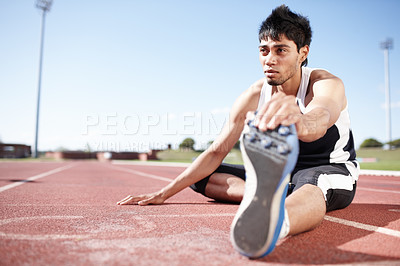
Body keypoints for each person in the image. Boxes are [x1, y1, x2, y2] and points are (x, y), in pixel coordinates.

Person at [117, 5, 359, 259]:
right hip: (284, 175)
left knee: (314, 183)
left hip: (331, 169)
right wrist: (163, 194)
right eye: (263, 51)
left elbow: (320, 119)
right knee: (202, 177)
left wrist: (298, 121)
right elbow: (216, 152)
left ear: (302, 53)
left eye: (281, 50)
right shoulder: (255, 95)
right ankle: (277, 191)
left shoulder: (325, 83)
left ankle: (275, 223)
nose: (270, 59)